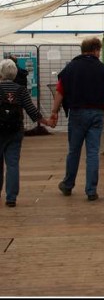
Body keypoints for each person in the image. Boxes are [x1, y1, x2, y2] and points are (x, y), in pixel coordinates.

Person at [51, 37, 104, 202]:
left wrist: (54, 112)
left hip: (77, 114)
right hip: (96, 114)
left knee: (74, 151)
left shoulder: (70, 68)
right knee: (93, 153)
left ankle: (68, 185)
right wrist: (103, 111)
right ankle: (91, 190)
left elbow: (60, 92)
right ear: (96, 50)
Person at [0, 59, 52, 207]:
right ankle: (11, 198)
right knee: (12, 164)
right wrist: (46, 122)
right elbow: (32, 111)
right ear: (15, 74)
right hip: (15, 130)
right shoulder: (20, 89)